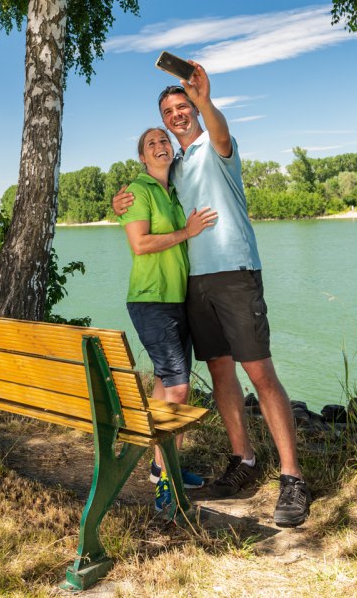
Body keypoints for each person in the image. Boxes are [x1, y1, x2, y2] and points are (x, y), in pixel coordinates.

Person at [112, 60, 311, 528]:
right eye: (169, 110)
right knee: (221, 372)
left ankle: (292, 478)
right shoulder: (173, 166)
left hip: (235, 273)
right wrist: (120, 201)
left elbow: (217, 127)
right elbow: (146, 203)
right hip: (193, 284)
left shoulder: (216, 144)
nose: (177, 115)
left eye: (182, 106)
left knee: (260, 372)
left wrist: (205, 97)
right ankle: (243, 462)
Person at [119, 126, 217, 511]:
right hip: (151, 301)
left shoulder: (173, 191)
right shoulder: (137, 191)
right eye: (151, 144)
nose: (160, 146)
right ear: (142, 157)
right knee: (178, 388)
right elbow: (140, 244)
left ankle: (163, 468)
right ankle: (165, 481)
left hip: (178, 300)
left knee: (165, 382)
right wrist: (185, 231)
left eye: (164, 141)